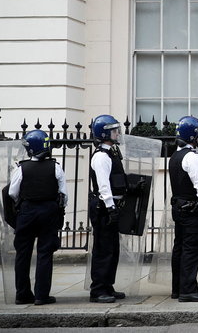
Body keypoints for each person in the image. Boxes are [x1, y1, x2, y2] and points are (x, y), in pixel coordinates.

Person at [10, 130, 67, 305]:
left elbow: (12, 192)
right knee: (45, 253)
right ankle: (42, 295)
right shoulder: (55, 167)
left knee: (23, 253)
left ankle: (22, 293)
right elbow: (64, 194)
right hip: (49, 211)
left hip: (27, 211)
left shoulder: (22, 168)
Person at [168, 116, 198, 302]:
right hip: (192, 209)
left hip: (178, 207)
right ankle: (188, 290)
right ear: (192, 137)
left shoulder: (175, 156)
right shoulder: (192, 157)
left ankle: (177, 288)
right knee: (191, 249)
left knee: (179, 248)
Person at [88, 115, 127, 303]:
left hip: (111, 206)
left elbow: (116, 179)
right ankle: (98, 289)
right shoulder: (101, 156)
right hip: (104, 207)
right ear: (104, 133)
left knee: (112, 249)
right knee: (103, 249)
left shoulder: (112, 152)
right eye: (114, 130)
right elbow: (104, 186)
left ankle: (108, 285)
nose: (117, 133)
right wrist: (111, 207)